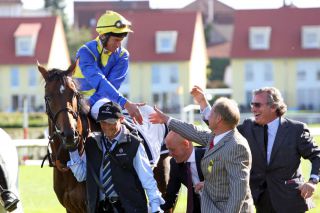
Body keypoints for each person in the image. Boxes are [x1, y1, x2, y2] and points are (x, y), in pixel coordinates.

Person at [191, 85, 320, 213]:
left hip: (290, 202)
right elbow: (222, 126)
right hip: (260, 201)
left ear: (274, 106)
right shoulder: (248, 126)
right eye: (252, 104)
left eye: (257, 105)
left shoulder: (296, 129)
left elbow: (316, 156)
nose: (253, 109)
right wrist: (203, 102)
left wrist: (312, 181)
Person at [149, 97, 254, 213]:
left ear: (219, 119)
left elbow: (239, 190)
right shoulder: (216, 137)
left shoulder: (236, 146)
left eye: (211, 113)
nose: (208, 117)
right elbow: (193, 131)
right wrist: (166, 119)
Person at [67, 101, 164, 213]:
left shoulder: (134, 144)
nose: (106, 126)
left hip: (131, 208)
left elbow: (147, 178)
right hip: (100, 208)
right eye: (103, 122)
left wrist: (155, 205)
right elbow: (81, 175)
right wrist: (72, 150)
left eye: (111, 122)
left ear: (121, 119)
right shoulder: (91, 143)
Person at [73, 10, 143, 124]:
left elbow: (112, 85)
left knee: (109, 112)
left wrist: (90, 103)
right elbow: (99, 81)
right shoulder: (85, 52)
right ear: (103, 36)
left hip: (100, 100)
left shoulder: (123, 55)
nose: (119, 45)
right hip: (77, 101)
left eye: (121, 40)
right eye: (116, 40)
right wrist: (125, 103)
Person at [160, 131, 205, 213]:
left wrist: (208, 184)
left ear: (186, 144)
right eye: (168, 149)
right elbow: (171, 194)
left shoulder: (208, 155)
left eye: (172, 149)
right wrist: (155, 209)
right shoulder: (174, 163)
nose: (170, 154)